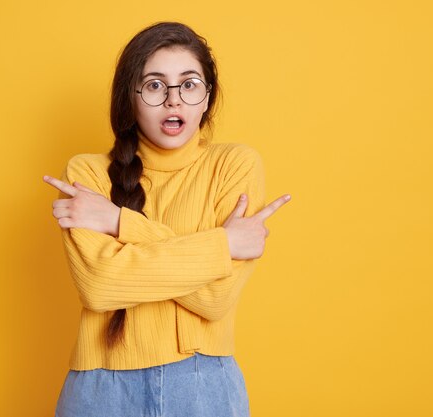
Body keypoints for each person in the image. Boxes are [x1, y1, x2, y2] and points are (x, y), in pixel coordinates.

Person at [43, 21, 290, 417]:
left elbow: (215, 299)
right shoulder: (86, 175)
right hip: (101, 389)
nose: (173, 100)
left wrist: (120, 223)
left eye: (189, 84)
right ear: (131, 99)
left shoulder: (233, 166)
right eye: (155, 85)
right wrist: (223, 244)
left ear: (207, 97)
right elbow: (100, 286)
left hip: (203, 385)